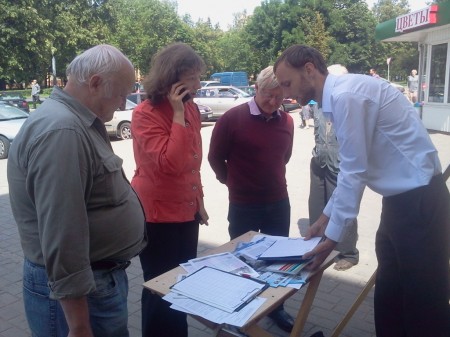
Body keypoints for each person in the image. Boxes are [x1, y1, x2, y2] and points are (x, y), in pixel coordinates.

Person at [274, 44, 449, 337]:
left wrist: (331, 240)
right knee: (390, 298)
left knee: (424, 304)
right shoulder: (337, 97)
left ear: (309, 70)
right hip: (399, 203)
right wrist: (324, 219)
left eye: (287, 83)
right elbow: (351, 171)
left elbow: (354, 171)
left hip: (419, 204)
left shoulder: (346, 95)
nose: (286, 93)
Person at [7, 44, 147, 337]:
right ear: (95, 83)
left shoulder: (74, 121)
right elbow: (63, 234)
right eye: (121, 94)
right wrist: (79, 325)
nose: (123, 105)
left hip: (92, 286)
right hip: (80, 297)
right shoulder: (63, 130)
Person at [208, 66, 295, 332]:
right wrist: (230, 181)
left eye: (279, 98)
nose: (273, 102)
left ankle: (275, 309)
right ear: (256, 89)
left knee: (277, 262)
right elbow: (214, 157)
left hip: (278, 202)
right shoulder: (233, 118)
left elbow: (285, 157)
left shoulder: (287, 122)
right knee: (243, 261)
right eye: (268, 95)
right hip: (243, 204)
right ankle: (242, 313)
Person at [131, 42, 209, 337]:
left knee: (182, 284)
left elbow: (192, 164)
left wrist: (198, 200)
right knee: (159, 287)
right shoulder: (144, 113)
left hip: (186, 212)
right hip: (157, 215)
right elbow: (170, 164)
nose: (198, 84)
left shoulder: (190, 108)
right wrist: (177, 115)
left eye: (198, 76)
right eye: (191, 77)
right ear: (171, 77)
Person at [308, 64, 359, 271]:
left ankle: (348, 253)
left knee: (343, 206)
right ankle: (318, 244)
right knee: (317, 205)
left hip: (340, 165)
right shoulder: (318, 104)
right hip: (320, 161)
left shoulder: (348, 104)